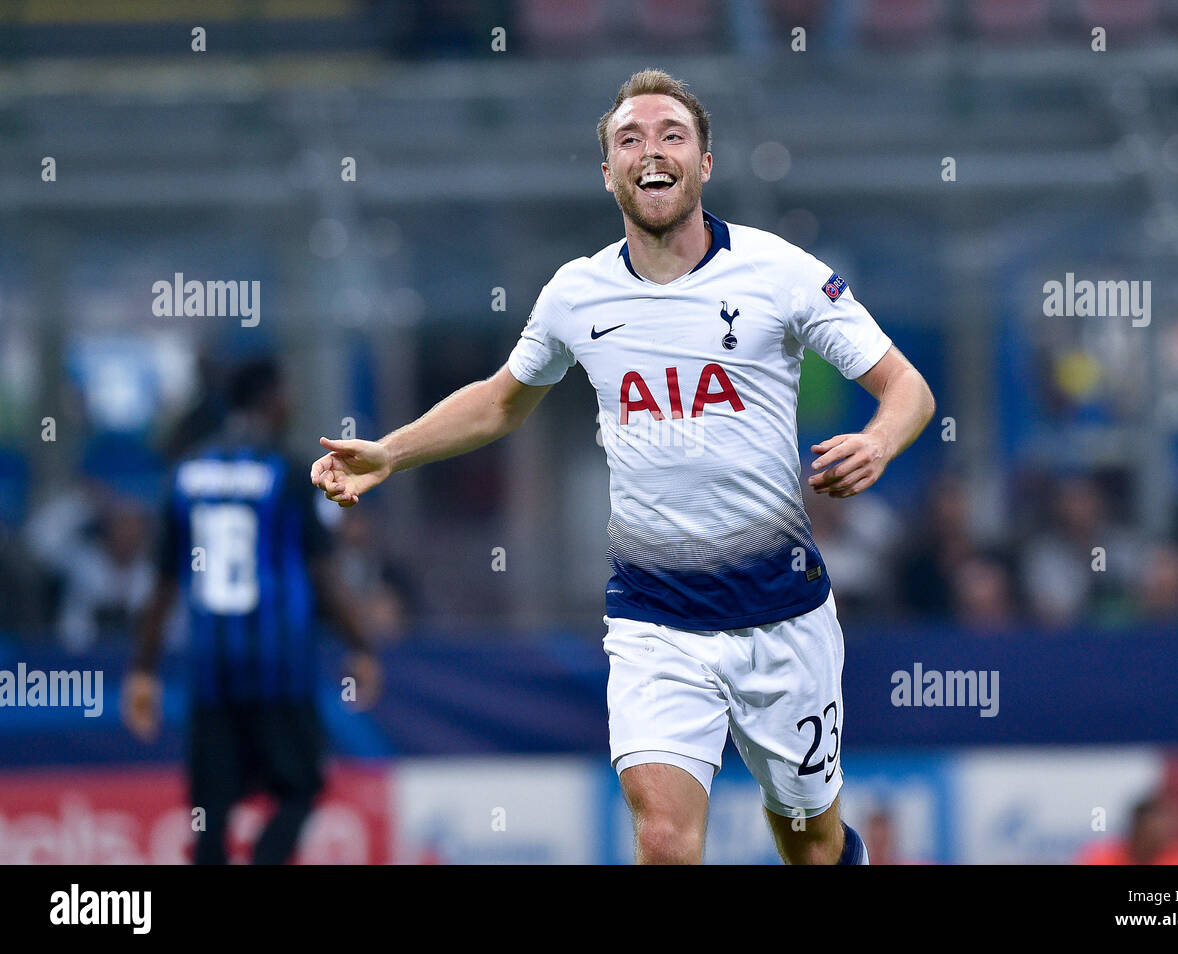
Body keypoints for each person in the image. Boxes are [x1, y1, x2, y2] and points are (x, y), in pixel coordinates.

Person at [311, 70, 934, 865]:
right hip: (654, 620)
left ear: (704, 163)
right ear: (608, 172)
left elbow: (906, 387)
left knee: (810, 840)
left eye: (672, 134)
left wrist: (879, 440)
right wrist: (389, 452)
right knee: (663, 836)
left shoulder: (780, 273)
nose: (652, 150)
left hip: (783, 618)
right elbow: (504, 400)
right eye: (629, 139)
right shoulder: (579, 293)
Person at [124, 358, 381, 865]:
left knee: (211, 811)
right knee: (300, 786)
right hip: (279, 666)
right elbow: (323, 574)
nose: (291, 402)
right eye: (285, 392)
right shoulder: (284, 471)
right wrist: (361, 646)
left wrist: (143, 671)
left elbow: (163, 584)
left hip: (211, 670)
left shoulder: (184, 473)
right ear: (268, 398)